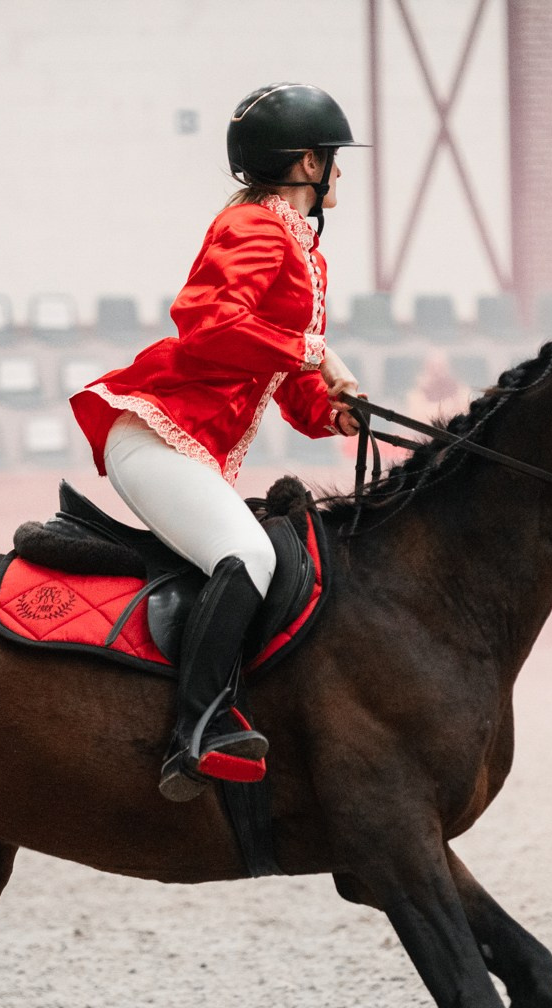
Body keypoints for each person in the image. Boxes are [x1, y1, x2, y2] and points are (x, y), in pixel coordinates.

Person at [69, 83, 364, 800]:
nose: (340, 173)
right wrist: (313, 351)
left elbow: (287, 389)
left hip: (195, 452)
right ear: (305, 162)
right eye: (333, 159)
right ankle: (197, 728)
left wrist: (334, 411)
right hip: (159, 437)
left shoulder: (305, 255)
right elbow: (209, 325)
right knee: (249, 554)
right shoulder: (254, 231)